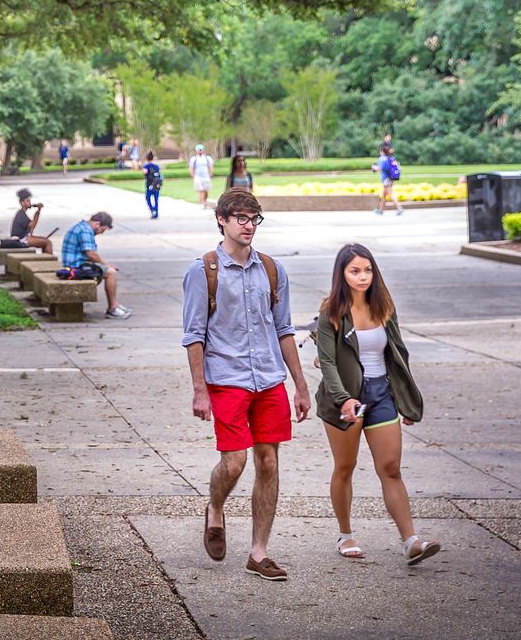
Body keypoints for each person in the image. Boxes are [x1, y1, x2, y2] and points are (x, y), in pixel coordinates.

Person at [181, 190, 311, 582]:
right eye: (240, 217)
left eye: (254, 218)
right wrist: (200, 389)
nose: (248, 225)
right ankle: (215, 508)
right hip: (227, 380)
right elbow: (194, 334)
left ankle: (259, 553)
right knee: (234, 462)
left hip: (269, 379)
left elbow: (285, 329)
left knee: (268, 461)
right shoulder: (203, 270)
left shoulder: (271, 270)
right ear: (221, 220)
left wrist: (301, 387)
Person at [314, 242, 439, 565]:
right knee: (345, 467)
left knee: (391, 468)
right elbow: (327, 362)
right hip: (344, 397)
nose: (363, 276)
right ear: (342, 274)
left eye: (368, 270)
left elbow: (397, 353)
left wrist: (406, 401)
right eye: (355, 271)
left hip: (381, 393)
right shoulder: (332, 311)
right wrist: (343, 399)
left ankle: (411, 541)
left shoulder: (383, 306)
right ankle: (345, 535)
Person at [59, 212, 129, 319]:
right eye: (103, 229)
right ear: (97, 224)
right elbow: (91, 254)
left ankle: (115, 305)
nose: (101, 233)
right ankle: (112, 309)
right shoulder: (85, 231)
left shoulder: (81, 226)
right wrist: (106, 265)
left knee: (106, 270)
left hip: (74, 265)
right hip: (75, 268)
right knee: (111, 273)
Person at [374, 143, 402, 216]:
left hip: (386, 179)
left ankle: (399, 208)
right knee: (384, 195)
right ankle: (380, 210)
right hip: (390, 178)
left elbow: (380, 168)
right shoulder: (390, 158)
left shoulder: (382, 158)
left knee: (391, 194)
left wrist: (373, 167)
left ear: (382, 151)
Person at [143, 151, 164, 219]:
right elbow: (159, 174)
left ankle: (152, 210)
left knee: (148, 198)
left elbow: (144, 173)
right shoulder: (156, 166)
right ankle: (156, 212)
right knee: (156, 199)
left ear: (147, 158)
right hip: (156, 185)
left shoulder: (146, 166)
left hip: (149, 185)